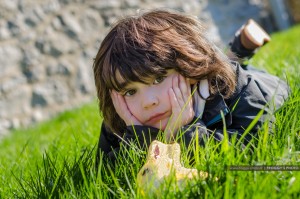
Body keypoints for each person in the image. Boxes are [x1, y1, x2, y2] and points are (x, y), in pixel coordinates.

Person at [93, 9, 289, 163]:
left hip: (264, 83)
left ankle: (237, 53)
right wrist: (139, 138)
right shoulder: (122, 112)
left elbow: (251, 148)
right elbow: (103, 173)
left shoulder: (244, 89)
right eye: (130, 91)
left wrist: (187, 131)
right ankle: (236, 51)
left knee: (222, 68)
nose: (148, 102)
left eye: (159, 79)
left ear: (188, 69)